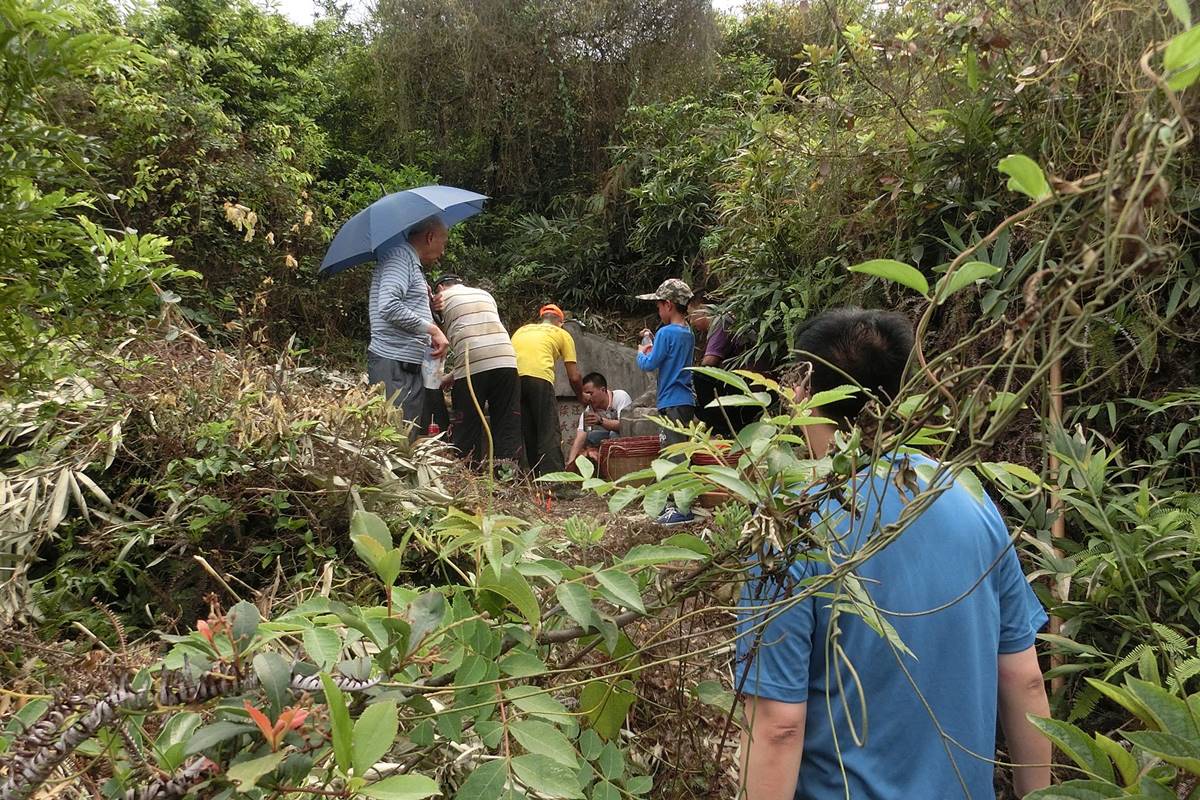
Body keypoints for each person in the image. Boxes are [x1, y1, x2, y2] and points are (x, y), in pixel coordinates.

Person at [736, 308, 1051, 800]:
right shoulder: (968, 498)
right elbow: (1025, 680)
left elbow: (778, 726)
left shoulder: (789, 530)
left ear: (803, 395)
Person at [366, 217, 451, 427]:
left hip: (407, 364)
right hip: (394, 362)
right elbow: (388, 306)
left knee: (407, 430)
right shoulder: (400, 256)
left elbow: (403, 306)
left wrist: (430, 307)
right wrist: (433, 330)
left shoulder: (410, 263)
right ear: (430, 237)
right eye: (444, 242)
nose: (443, 251)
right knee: (395, 431)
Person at [433, 276, 522, 465]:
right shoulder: (484, 294)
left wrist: (441, 376)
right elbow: (484, 343)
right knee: (506, 424)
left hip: (471, 363)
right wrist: (453, 375)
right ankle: (506, 476)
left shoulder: (439, 299)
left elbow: (448, 343)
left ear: (440, 287)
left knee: (467, 424)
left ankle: (468, 475)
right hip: (506, 359)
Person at [636, 278, 697, 526]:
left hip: (671, 401)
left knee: (673, 454)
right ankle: (678, 503)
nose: (658, 310)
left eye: (659, 305)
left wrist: (641, 352)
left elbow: (650, 364)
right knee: (680, 450)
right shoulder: (688, 333)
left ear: (669, 305)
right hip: (686, 400)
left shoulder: (665, 332)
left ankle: (681, 508)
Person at [511, 304, 583, 475]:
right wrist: (581, 396)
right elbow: (574, 376)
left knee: (528, 429)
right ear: (560, 322)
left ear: (542, 318)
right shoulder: (562, 334)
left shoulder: (522, 330)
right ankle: (554, 481)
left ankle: (534, 476)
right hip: (540, 379)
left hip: (513, 380)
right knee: (548, 430)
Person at [565, 372, 633, 467]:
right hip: (608, 439)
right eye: (585, 394)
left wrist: (600, 421)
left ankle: (616, 466)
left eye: (590, 393)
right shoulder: (589, 410)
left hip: (628, 439)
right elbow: (580, 438)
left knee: (613, 434)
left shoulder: (620, 397)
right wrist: (570, 463)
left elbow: (624, 426)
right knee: (590, 437)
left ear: (603, 390)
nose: (588, 397)